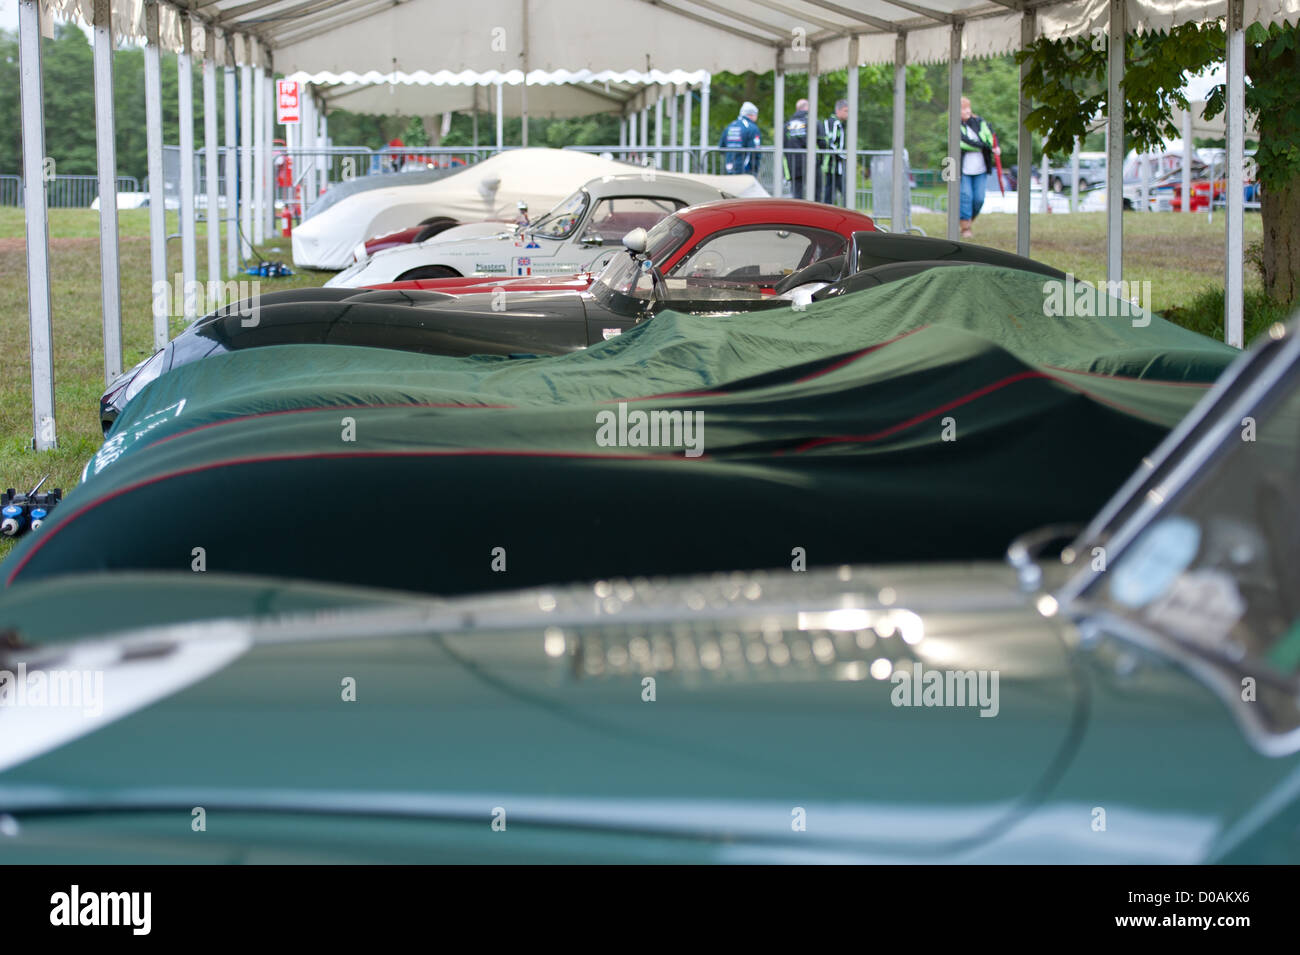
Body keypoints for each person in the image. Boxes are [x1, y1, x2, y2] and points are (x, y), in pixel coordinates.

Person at [958, 96, 999, 238]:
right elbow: (961, 143)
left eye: (968, 107)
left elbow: (989, 139)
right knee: (965, 197)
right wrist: (982, 146)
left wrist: (987, 146)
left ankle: (968, 222)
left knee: (979, 199)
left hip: (980, 169)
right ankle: (965, 228)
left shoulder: (980, 122)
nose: (967, 111)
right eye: (963, 108)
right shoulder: (955, 125)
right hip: (963, 170)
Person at [817, 100, 849, 205]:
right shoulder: (834, 123)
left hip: (835, 164)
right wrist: (843, 156)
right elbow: (830, 142)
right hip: (833, 164)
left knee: (833, 190)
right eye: (845, 111)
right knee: (834, 191)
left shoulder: (836, 123)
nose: (847, 114)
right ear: (838, 110)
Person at [719, 102, 762, 177]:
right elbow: (755, 151)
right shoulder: (752, 128)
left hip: (730, 168)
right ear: (752, 114)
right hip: (746, 170)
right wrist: (755, 169)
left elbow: (721, 147)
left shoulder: (730, 125)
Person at [783, 98, 810, 199]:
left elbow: (783, 143)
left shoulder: (787, 124)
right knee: (814, 192)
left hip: (792, 162)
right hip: (808, 162)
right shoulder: (810, 122)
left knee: (797, 192)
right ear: (806, 108)